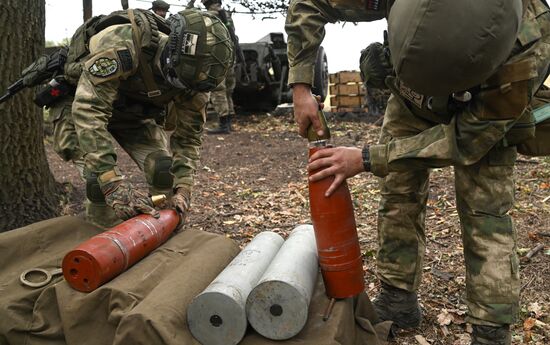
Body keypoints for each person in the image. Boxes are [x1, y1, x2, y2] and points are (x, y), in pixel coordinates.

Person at [286, 0, 549, 344]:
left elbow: (465, 143)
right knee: (398, 191)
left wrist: (367, 158)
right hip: (412, 100)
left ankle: (490, 331)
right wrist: (301, 86)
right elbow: (310, 2)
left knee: (486, 214)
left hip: (483, 107)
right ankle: (398, 300)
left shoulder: (529, 47)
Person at [49, 8, 233, 226]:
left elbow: (188, 138)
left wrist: (183, 188)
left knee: (163, 169)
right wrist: (112, 183)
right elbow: (88, 111)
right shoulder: (123, 44)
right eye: (179, 81)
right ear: (170, 56)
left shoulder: (197, 80)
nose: (184, 89)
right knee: (97, 182)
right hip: (78, 108)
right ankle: (101, 239)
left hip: (132, 114)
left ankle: (160, 225)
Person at [202, 0, 238, 134]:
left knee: (218, 90)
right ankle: (229, 123)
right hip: (230, 57)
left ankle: (223, 125)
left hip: (216, 58)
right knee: (228, 91)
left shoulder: (207, 16)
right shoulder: (226, 15)